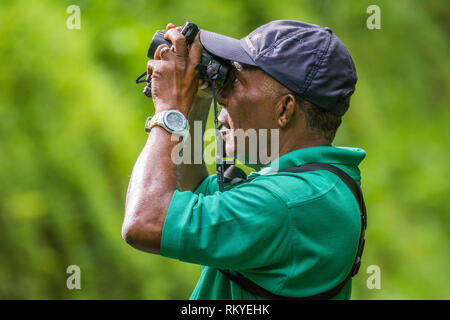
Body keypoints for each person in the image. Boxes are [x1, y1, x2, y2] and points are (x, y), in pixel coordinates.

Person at [122, 20, 366, 300]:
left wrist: (169, 110)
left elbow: (145, 221)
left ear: (284, 109)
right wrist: (199, 97)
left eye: (235, 81)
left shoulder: (286, 203)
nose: (223, 94)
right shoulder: (317, 186)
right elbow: (187, 190)